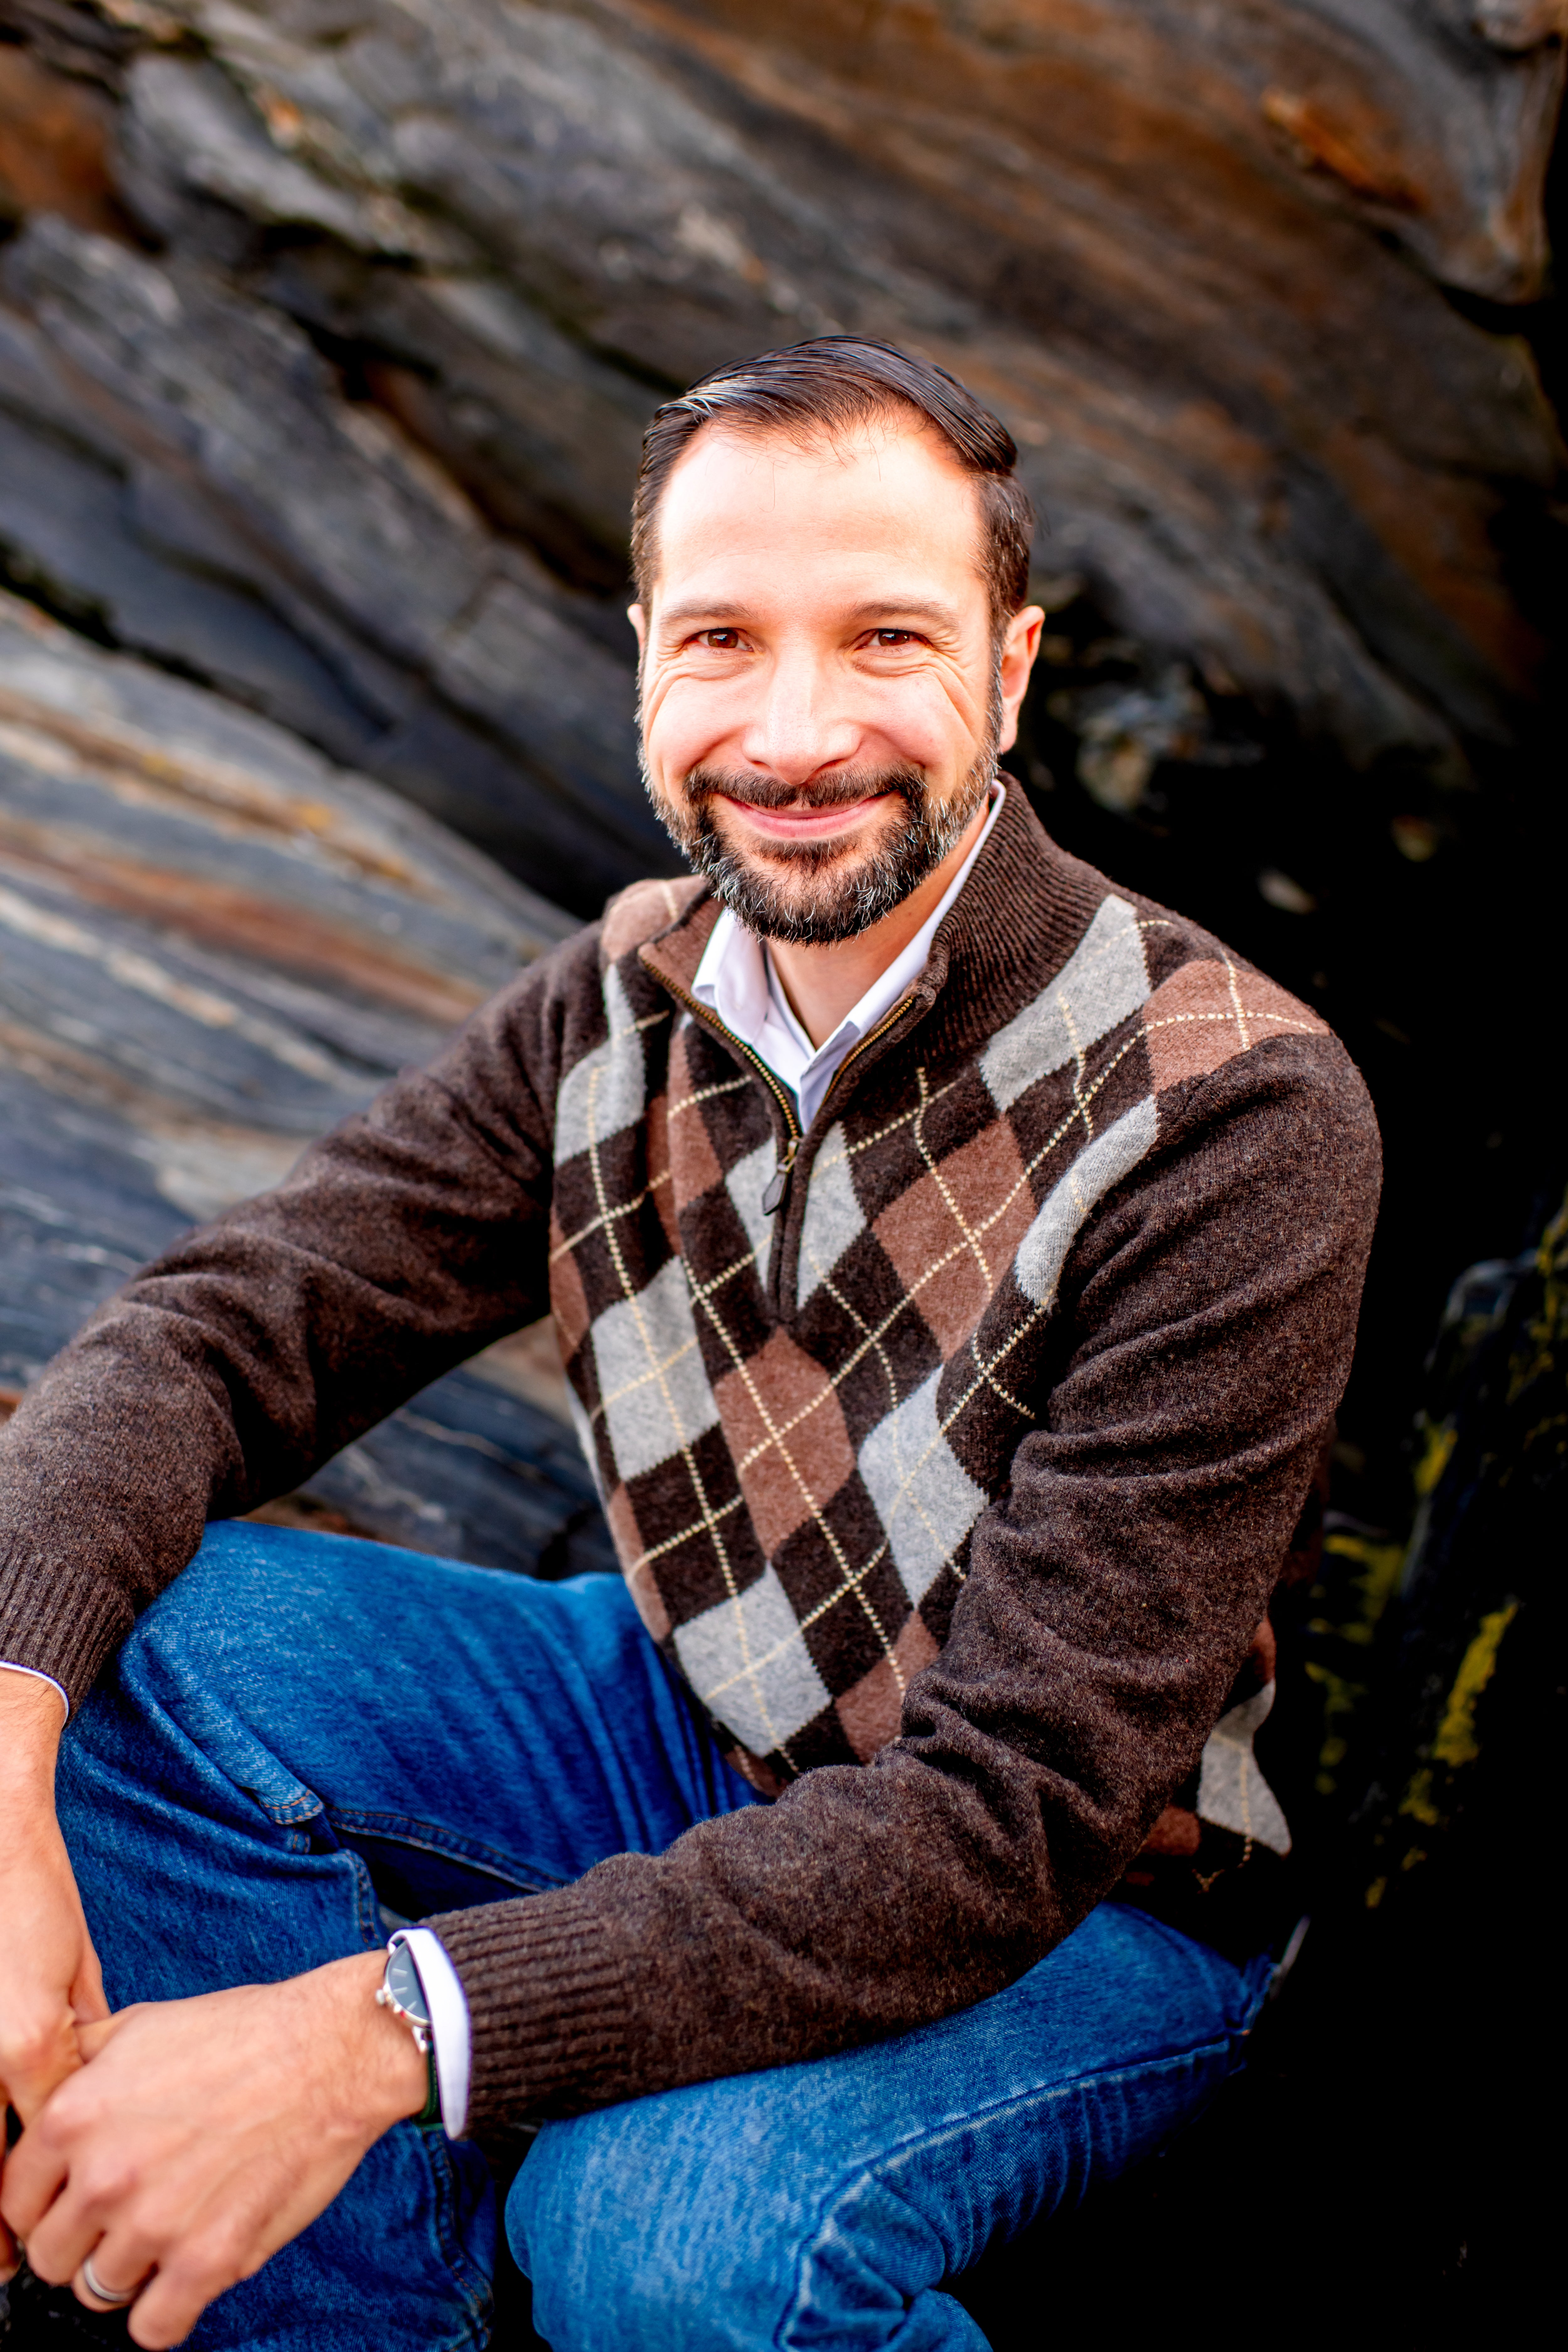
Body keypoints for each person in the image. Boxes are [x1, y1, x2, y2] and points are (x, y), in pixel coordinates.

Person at [0, 337, 1379, 2352]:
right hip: (673, 1734)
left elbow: (1002, 1819)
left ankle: (406, 2157)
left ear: (1009, 670)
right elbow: (222, 1333)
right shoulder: (622, 1000)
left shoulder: (1238, 1114)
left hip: (1084, 1910)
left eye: (884, 638)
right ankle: (359, 2315)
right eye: (724, 637)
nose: (796, 730)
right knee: (128, 1647)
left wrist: (366, 2036)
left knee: (662, 2232)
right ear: (646, 654)